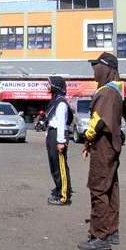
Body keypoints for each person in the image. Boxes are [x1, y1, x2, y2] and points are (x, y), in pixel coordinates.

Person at [79, 53, 125, 250]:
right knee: (110, 188)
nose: (94, 70)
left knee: (98, 188)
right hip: (112, 145)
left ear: (106, 68)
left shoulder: (106, 92)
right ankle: (112, 230)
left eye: (97, 66)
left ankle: (100, 236)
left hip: (103, 146)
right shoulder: (116, 90)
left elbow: (98, 121)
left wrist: (87, 138)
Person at [45, 76, 72, 206]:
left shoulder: (61, 102)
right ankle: (58, 188)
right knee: (54, 165)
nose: (47, 86)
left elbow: (61, 123)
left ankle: (63, 196)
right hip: (52, 134)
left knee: (60, 166)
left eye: (49, 84)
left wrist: (60, 141)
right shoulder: (55, 100)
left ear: (55, 85)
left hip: (58, 135)